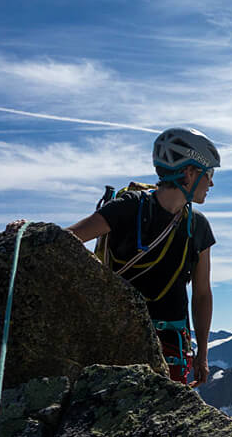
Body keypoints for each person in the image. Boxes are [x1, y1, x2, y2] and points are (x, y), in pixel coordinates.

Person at [66, 127, 219, 386]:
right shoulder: (129, 207)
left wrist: (201, 355)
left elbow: (203, 294)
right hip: (152, 343)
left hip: (138, 338)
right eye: (209, 174)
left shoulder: (197, 225)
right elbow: (201, 293)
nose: (212, 183)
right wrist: (32, 232)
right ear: (190, 173)